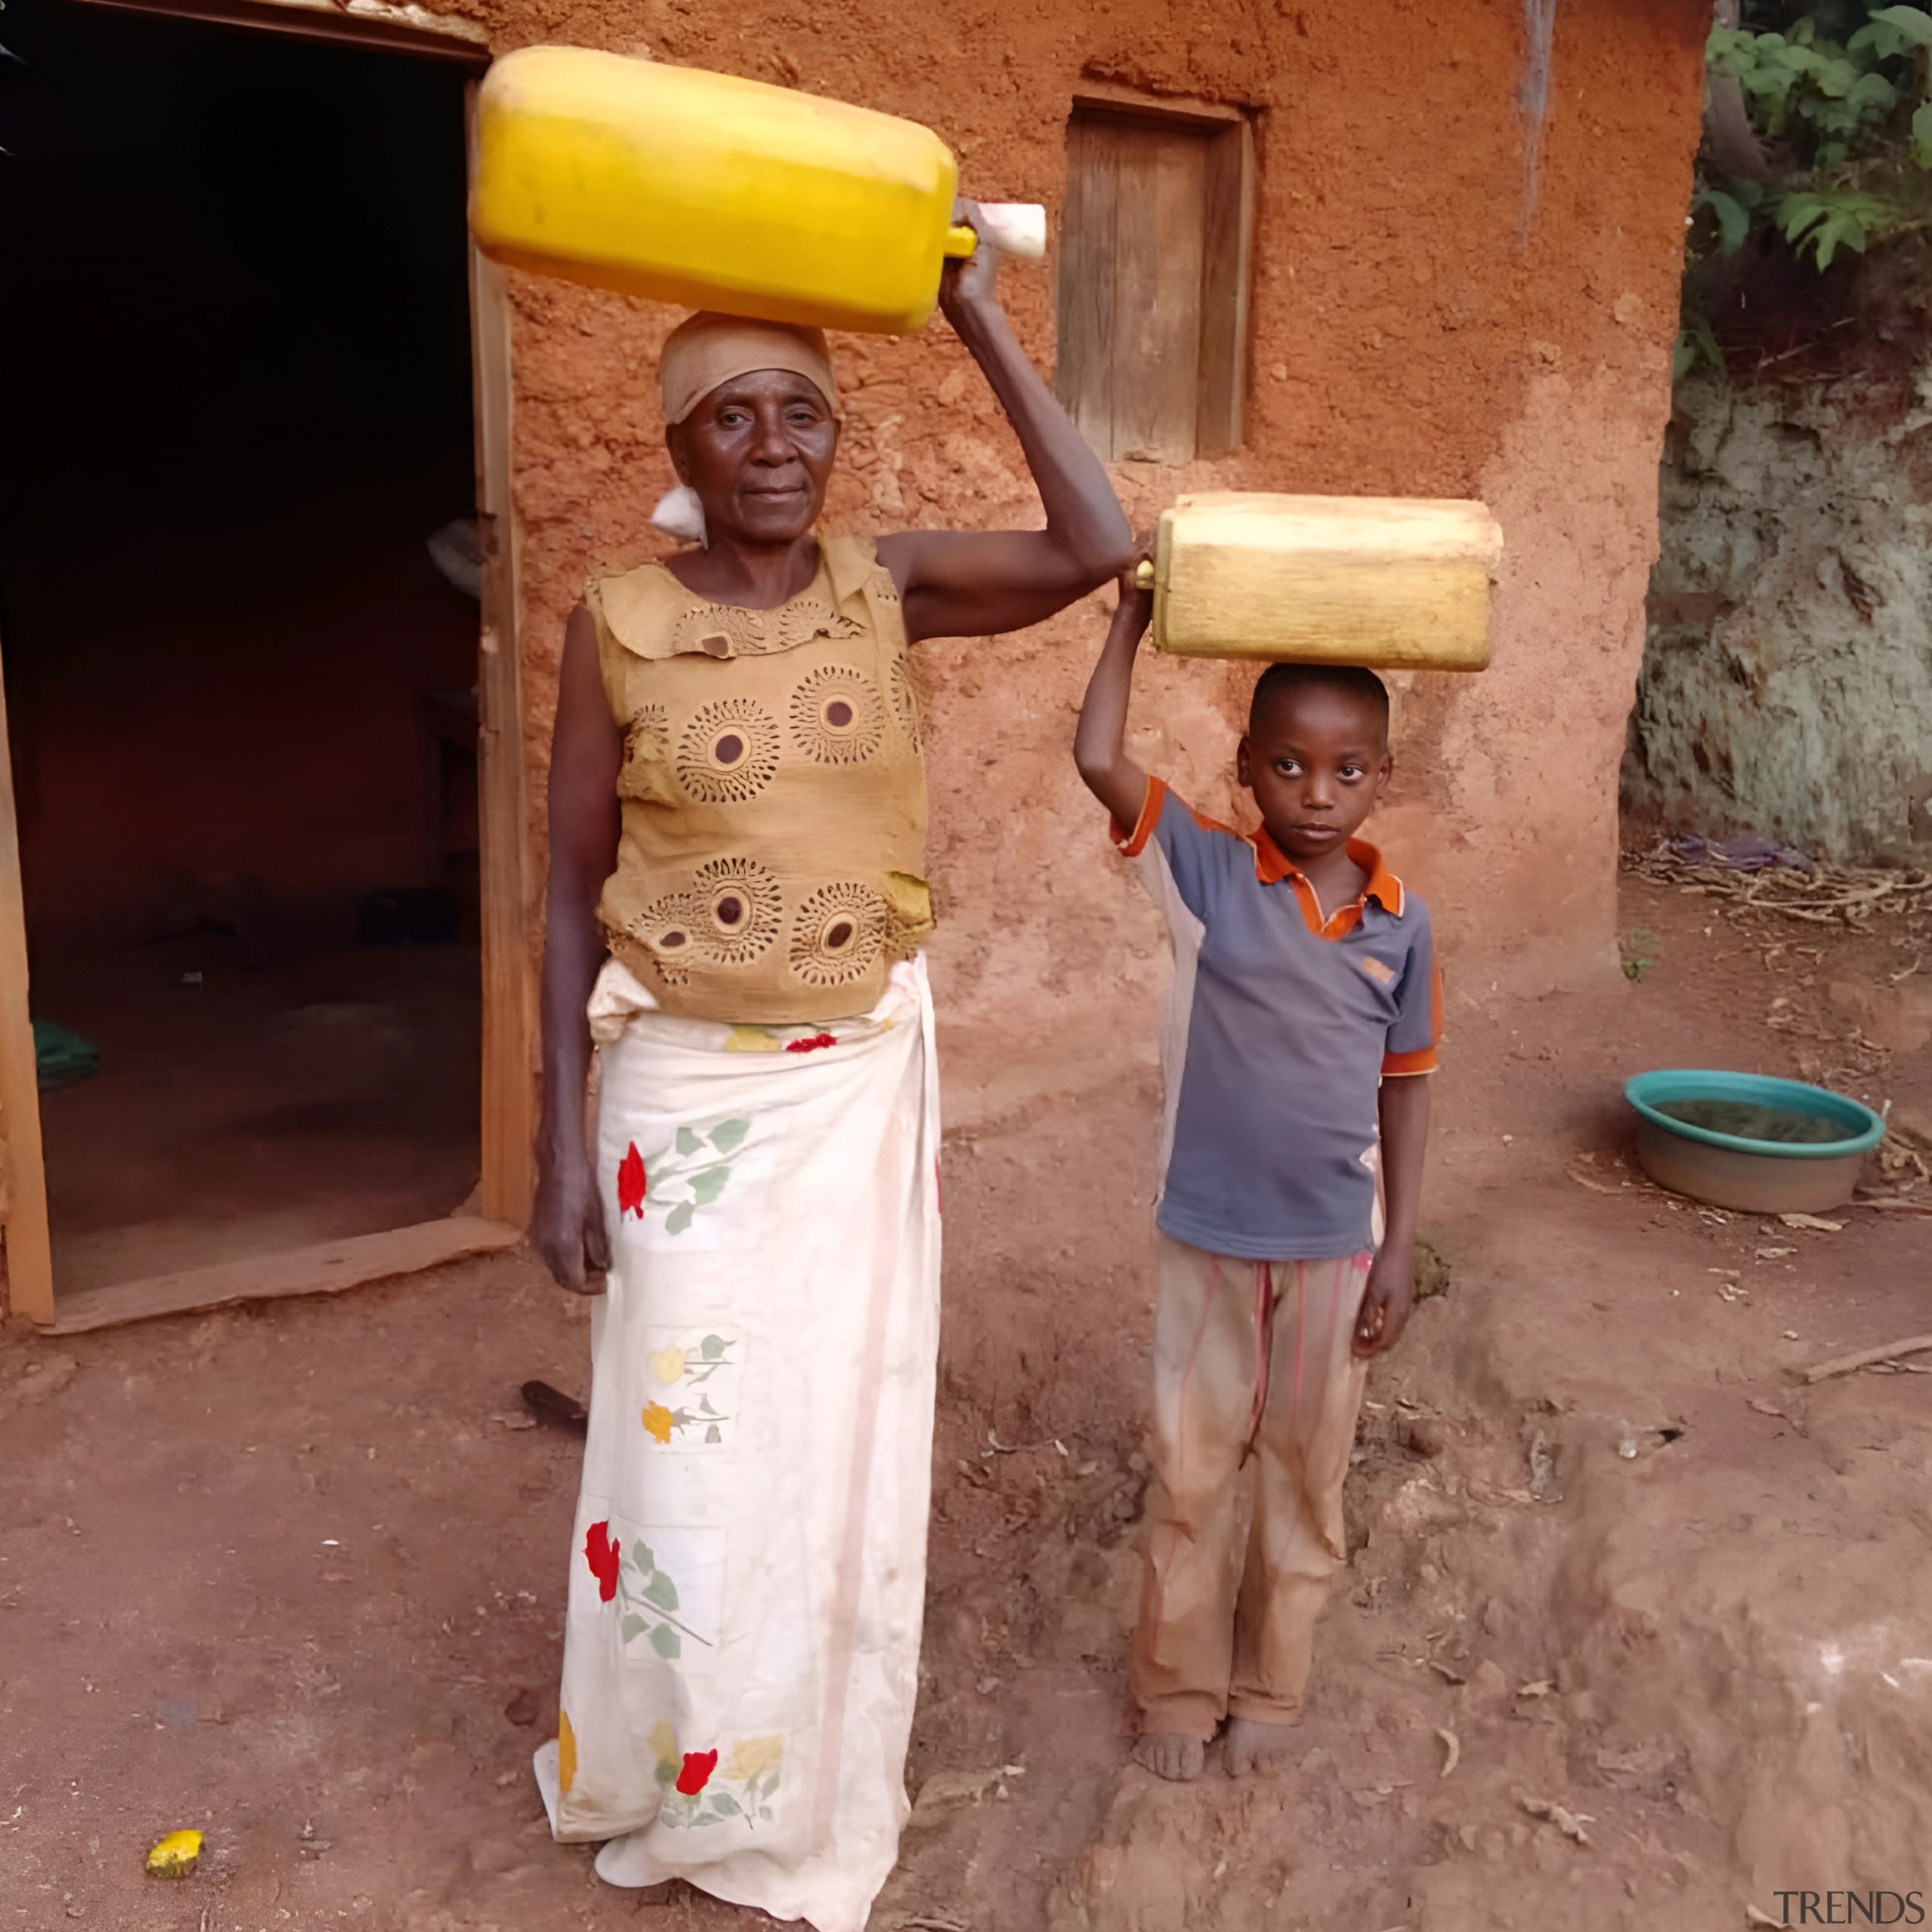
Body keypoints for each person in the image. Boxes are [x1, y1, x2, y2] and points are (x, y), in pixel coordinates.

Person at [528, 205, 1132, 1930]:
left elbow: (1093, 541)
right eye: (736, 417)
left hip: (849, 1081)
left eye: (803, 412)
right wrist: (560, 1153)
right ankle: (667, 1762)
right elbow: (567, 888)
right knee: (683, 1451)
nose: (776, 447)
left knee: (822, 1442)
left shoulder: (891, 584)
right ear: (679, 450)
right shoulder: (616, 619)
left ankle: (787, 1786)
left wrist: (971, 315)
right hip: (685, 1099)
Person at [1072, 565, 1439, 1783]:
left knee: (1305, 1474)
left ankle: (1272, 1680)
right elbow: (1097, 755)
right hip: (1210, 1235)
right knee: (1191, 1472)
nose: (1317, 793)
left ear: (1384, 776)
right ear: (1245, 767)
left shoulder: (1402, 922)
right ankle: (1178, 1693)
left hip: (1337, 1244)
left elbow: (1409, 1086)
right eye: (1288, 765)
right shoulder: (1208, 874)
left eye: (1348, 769)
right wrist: (1130, 617)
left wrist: (1398, 1247)